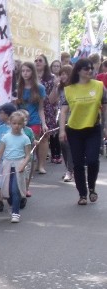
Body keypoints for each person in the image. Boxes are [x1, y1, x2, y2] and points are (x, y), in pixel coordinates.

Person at [59, 58, 107, 206]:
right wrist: (62, 130)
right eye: (86, 69)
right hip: (74, 130)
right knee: (78, 164)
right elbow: (63, 111)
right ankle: (82, 194)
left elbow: (105, 108)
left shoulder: (99, 86)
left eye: (91, 68)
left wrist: (105, 126)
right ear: (79, 70)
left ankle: (92, 186)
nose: (90, 71)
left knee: (92, 160)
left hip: (93, 128)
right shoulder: (69, 89)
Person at [0, 111, 31, 223]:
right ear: (10, 123)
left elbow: (28, 155)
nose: (16, 126)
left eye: (19, 124)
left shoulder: (25, 138)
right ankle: (12, 204)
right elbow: (0, 153)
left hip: (19, 164)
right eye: (14, 123)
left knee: (16, 189)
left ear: (23, 124)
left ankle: (16, 212)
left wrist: (23, 165)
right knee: (7, 189)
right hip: (7, 164)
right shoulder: (5, 137)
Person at [16, 61, 47, 174]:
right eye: (23, 71)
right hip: (19, 121)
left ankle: (39, 165)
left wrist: (43, 123)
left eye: (28, 70)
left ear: (32, 72)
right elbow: (15, 106)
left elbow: (40, 108)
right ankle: (25, 166)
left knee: (33, 144)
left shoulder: (40, 88)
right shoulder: (17, 87)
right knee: (21, 144)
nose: (25, 73)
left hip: (34, 120)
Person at [52, 64, 76, 182]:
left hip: (73, 118)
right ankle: (69, 168)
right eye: (61, 74)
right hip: (61, 118)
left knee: (69, 145)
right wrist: (54, 86)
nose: (63, 76)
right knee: (63, 144)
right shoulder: (60, 88)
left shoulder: (75, 87)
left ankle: (70, 170)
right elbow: (51, 100)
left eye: (65, 73)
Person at [35, 54, 60, 166]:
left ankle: (41, 165)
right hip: (33, 109)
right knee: (34, 137)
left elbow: (52, 99)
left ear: (45, 63)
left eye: (40, 60)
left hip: (47, 109)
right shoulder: (31, 76)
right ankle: (35, 161)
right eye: (35, 60)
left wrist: (55, 87)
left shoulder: (51, 77)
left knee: (44, 137)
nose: (37, 62)